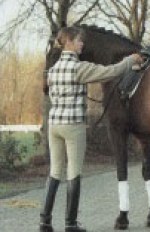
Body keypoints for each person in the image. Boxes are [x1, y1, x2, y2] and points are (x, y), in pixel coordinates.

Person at [39, 26, 143, 232]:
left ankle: (45, 221)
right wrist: (130, 60)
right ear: (68, 42)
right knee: (74, 173)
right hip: (73, 127)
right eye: (79, 41)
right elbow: (111, 71)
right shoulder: (80, 68)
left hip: (54, 126)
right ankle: (70, 223)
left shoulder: (53, 71)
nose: (82, 44)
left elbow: (49, 89)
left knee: (54, 173)